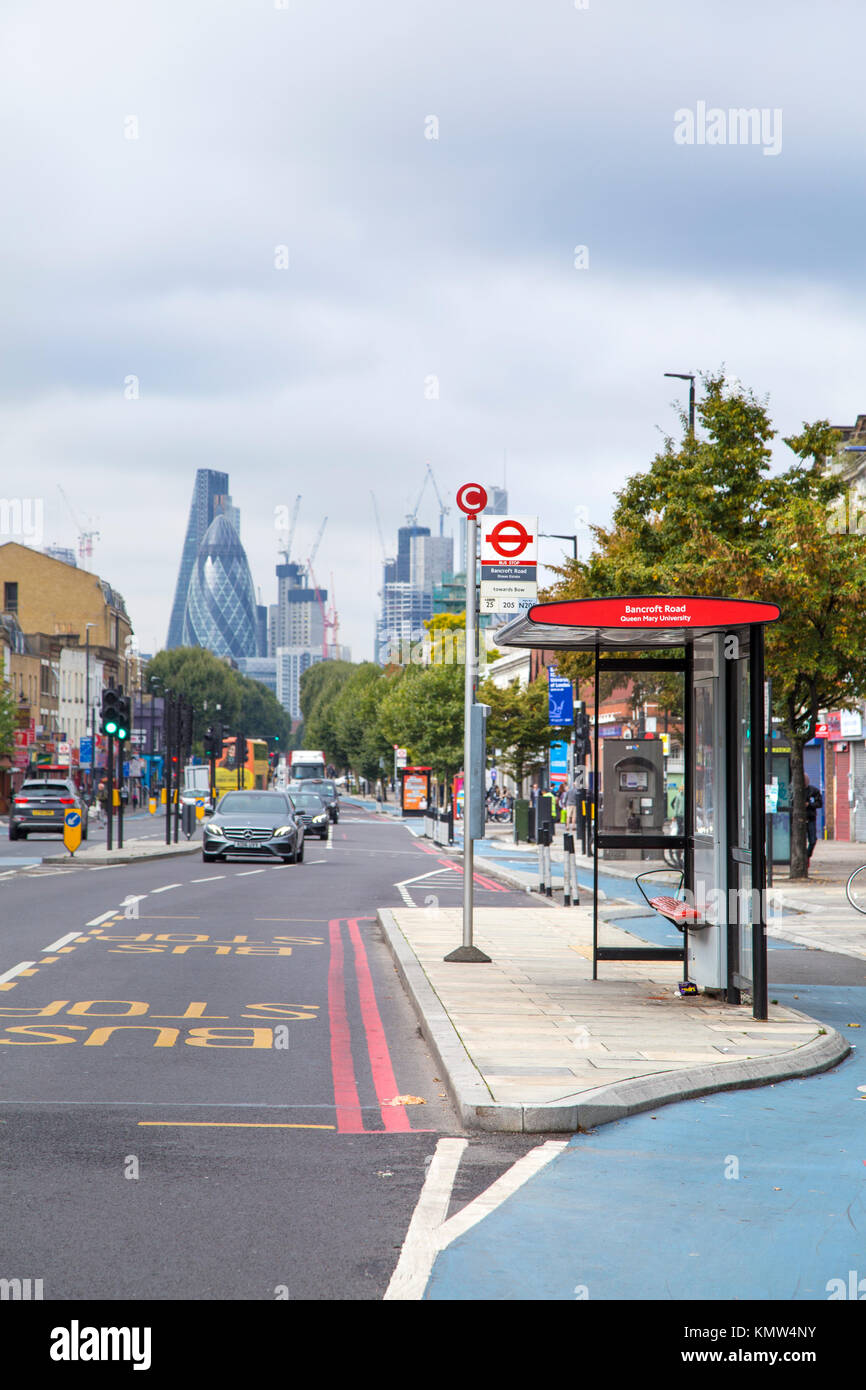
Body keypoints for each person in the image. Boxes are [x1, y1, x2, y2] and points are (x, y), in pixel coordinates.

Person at [804, 775, 823, 860]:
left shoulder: (814, 791)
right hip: (799, 820)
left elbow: (819, 804)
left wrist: (809, 805)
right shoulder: (795, 790)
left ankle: (807, 855)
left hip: (810, 818)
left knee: (813, 840)